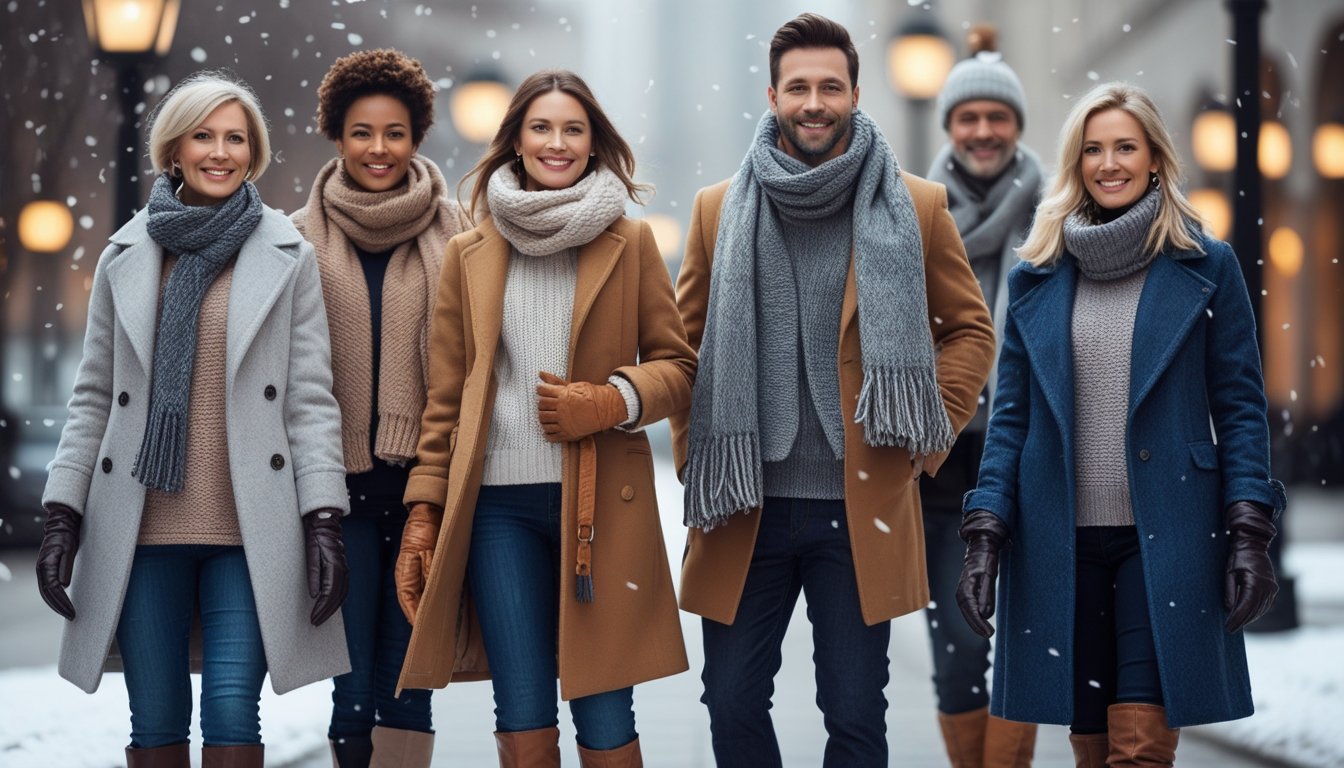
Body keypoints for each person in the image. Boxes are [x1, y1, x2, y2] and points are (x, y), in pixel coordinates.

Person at [672, 13, 995, 767]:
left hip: (862, 508)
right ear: (773, 95)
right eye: (798, 87)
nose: (813, 102)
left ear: (853, 92)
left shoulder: (915, 205)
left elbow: (971, 331)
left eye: (829, 86)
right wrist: (697, 458)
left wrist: (927, 434)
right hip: (744, 504)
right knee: (732, 704)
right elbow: (681, 349)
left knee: (854, 714)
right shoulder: (719, 210)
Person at [956, 82, 1285, 768]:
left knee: (1139, 748)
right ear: (1075, 166)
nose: (1109, 163)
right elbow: (1010, 420)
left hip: (1168, 538)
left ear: (1156, 159)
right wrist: (985, 531)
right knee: (1092, 745)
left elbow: (1240, 405)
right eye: (1093, 150)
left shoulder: (1206, 265)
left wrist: (1250, 530)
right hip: (1057, 545)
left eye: (1125, 147)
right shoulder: (1036, 277)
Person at [35, 71, 351, 768]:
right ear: (174, 151)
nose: (220, 151)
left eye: (235, 138)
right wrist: (63, 513)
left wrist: (323, 518)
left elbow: (308, 399)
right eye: (203, 136)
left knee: (234, 706)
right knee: (155, 720)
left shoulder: (285, 254)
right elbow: (95, 396)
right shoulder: (127, 254)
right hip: (140, 528)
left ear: (254, 151)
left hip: (249, 528)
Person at [393, 69, 696, 767]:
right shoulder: (468, 253)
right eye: (541, 127)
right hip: (496, 509)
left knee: (604, 703)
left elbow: (679, 369)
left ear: (593, 145)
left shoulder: (631, 242)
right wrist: (424, 512)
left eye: (572, 129)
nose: (556, 142)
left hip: (600, 508)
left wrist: (613, 398)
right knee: (522, 704)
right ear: (516, 142)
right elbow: (446, 400)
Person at [291, 48, 469, 768]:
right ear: (336, 136)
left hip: (427, 489)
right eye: (362, 132)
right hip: (335, 496)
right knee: (351, 683)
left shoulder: (458, 234)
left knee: (411, 679)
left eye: (395, 132)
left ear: (417, 138)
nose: (378, 149)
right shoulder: (293, 239)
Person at [921, 26, 1044, 768]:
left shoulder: (1057, 216)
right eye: (968, 117)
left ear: (1017, 127)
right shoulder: (910, 216)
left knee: (1030, 641)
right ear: (949, 128)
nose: (983, 131)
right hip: (944, 465)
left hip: (1031, 455)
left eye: (997, 117)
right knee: (960, 642)